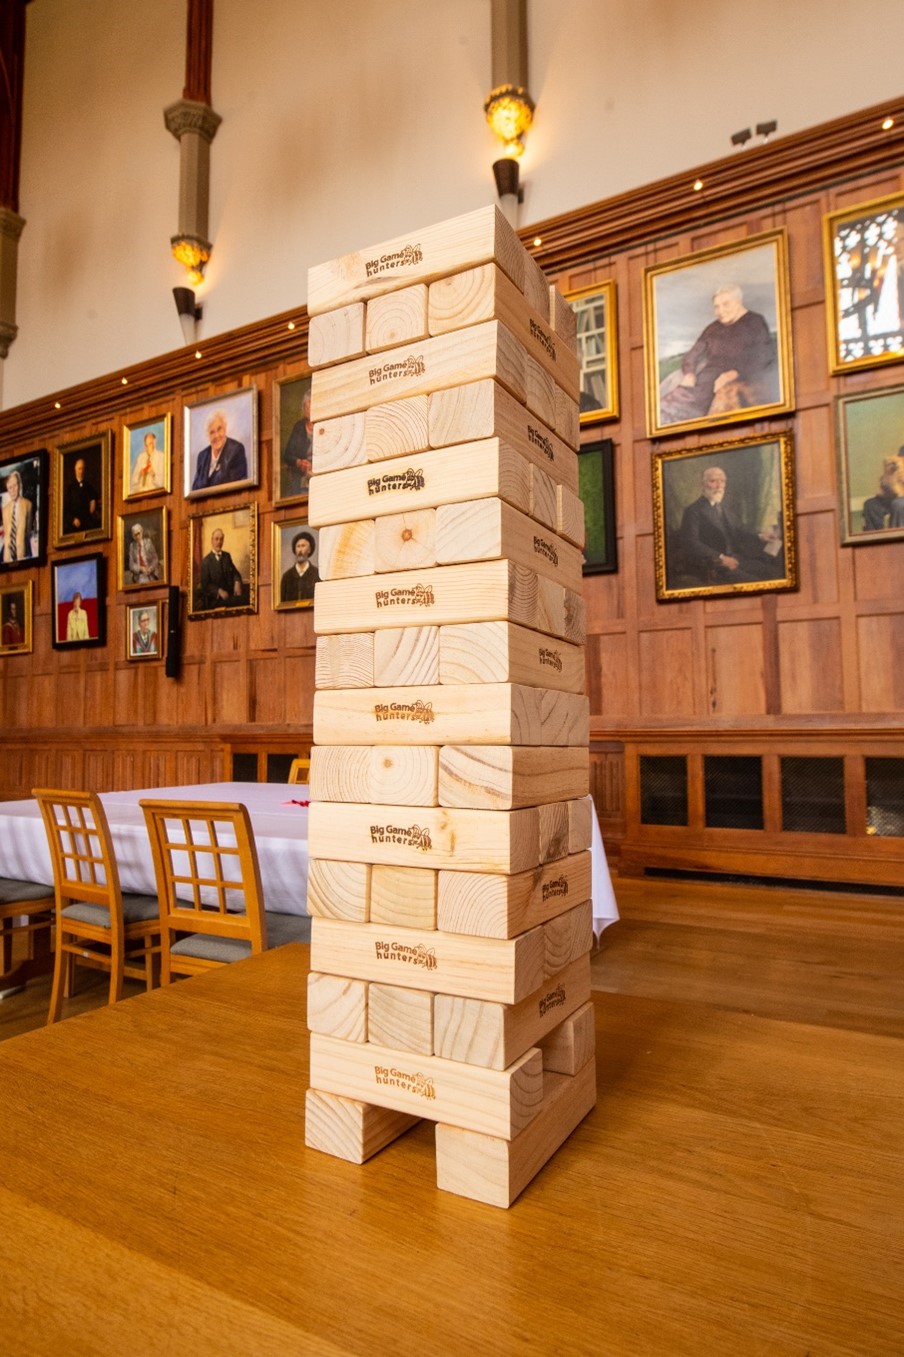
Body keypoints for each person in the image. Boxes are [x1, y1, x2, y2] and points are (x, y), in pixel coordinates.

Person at [659, 284, 777, 426]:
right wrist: (689, 373)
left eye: (726, 304)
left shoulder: (754, 322)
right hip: (704, 381)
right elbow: (692, 354)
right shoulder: (713, 328)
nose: (721, 311)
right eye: (716, 307)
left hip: (740, 377)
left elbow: (764, 356)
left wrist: (734, 373)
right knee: (665, 409)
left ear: (738, 301)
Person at [675, 465, 783, 585]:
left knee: (774, 573)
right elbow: (691, 543)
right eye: (713, 481)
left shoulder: (724, 508)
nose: (719, 486)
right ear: (702, 485)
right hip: (714, 565)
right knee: (755, 583)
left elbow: (739, 528)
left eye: (722, 481)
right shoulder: (693, 511)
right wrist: (720, 558)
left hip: (737, 558)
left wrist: (761, 535)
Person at [192, 411, 248, 491]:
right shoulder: (202, 456)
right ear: (208, 436)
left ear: (225, 429)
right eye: (212, 432)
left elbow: (235, 487)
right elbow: (195, 489)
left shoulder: (236, 450)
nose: (216, 435)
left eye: (219, 429)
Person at [199, 527, 244, 609]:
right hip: (215, 600)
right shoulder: (206, 561)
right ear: (212, 541)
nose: (219, 542)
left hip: (231, 595)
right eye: (216, 539)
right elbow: (205, 584)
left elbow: (235, 572)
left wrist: (237, 582)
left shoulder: (227, 556)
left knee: (245, 600)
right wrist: (218, 591)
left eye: (221, 539)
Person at [861, 451, 904, 532]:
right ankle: (877, 538)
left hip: (900, 500)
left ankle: (895, 538)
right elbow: (881, 493)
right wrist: (888, 474)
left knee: (898, 504)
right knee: (871, 505)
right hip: (892, 497)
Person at [282, 390, 313, 498]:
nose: (307, 410)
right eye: (305, 406)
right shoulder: (299, 427)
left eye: (310, 406)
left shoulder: (325, 425)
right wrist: (299, 462)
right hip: (300, 474)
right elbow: (287, 455)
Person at [1, 470, 35, 563]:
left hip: (22, 555)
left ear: (19, 485)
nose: (12, 490)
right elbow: (6, 534)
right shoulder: (5, 510)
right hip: (7, 558)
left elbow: (28, 531)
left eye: (14, 486)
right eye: (10, 487)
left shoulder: (28, 505)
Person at [279, 530, 319, 603]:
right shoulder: (287, 577)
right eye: (298, 546)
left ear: (309, 550)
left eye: (303, 546)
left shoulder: (317, 575)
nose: (300, 550)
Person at [63, 457, 101, 533]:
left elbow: (93, 503)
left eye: (83, 469)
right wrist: (73, 519)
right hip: (74, 523)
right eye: (79, 469)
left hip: (87, 522)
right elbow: (66, 508)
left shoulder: (89, 486)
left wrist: (93, 502)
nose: (81, 471)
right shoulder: (70, 488)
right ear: (75, 470)